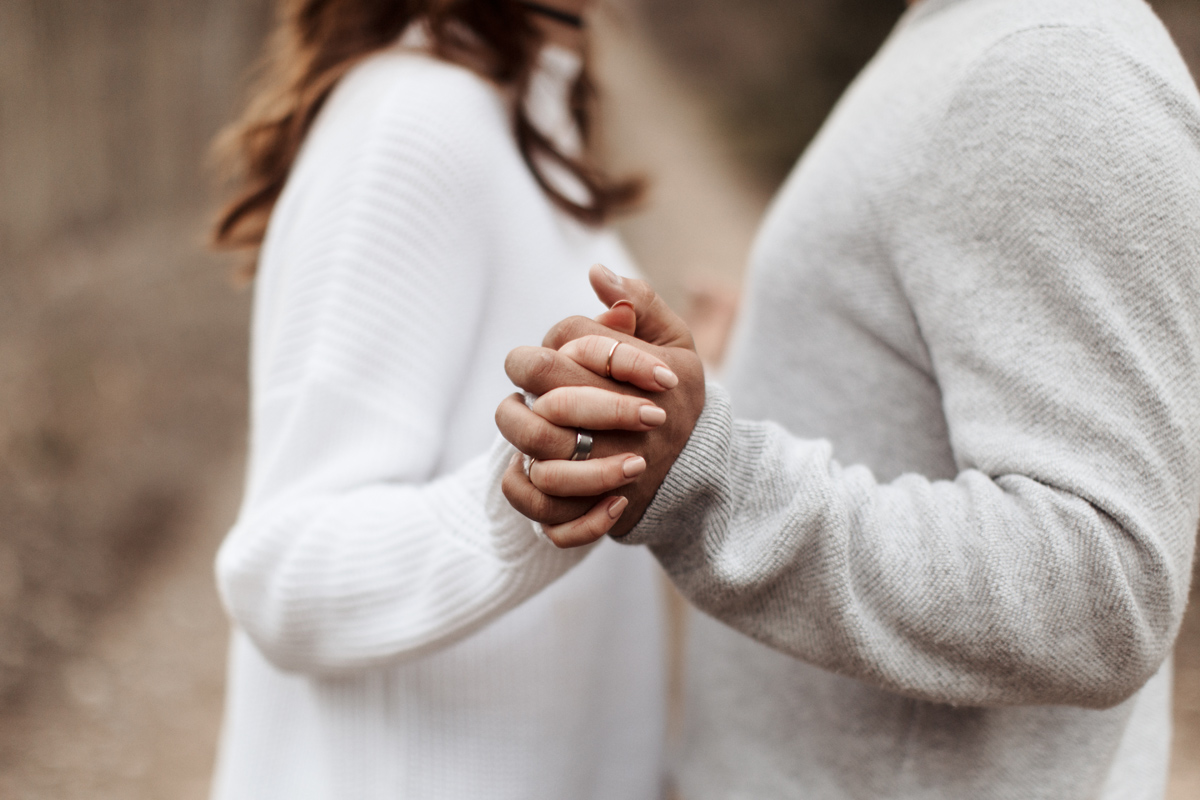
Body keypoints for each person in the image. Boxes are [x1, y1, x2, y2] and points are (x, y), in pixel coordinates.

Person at [497, 0, 1200, 796]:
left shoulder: (1049, 64)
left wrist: (708, 477)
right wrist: (754, 362)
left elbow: (1102, 591)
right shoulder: (960, 37)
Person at [206, 1, 671, 797]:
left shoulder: (522, 120)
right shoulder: (415, 118)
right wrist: (527, 501)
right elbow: (284, 569)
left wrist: (688, 395)